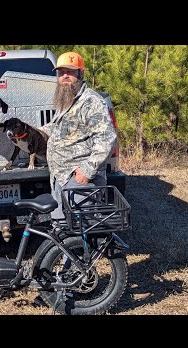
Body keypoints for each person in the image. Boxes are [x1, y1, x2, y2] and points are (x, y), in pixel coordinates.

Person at [40, 51, 117, 223]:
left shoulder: (91, 101)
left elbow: (106, 138)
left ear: (81, 73)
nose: (65, 76)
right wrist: (31, 132)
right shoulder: (67, 99)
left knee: (87, 230)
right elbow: (58, 128)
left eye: (70, 71)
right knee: (64, 232)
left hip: (80, 181)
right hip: (60, 178)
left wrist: (87, 171)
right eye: (61, 72)